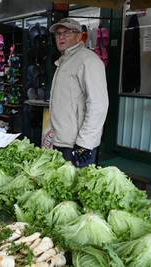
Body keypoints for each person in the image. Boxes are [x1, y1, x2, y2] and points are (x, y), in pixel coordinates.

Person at [49, 18, 109, 168]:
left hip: (77, 145)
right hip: (61, 141)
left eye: (67, 33)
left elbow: (98, 104)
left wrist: (85, 143)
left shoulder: (88, 61)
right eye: (58, 33)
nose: (61, 37)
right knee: (62, 188)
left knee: (77, 188)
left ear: (79, 36)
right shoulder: (64, 61)